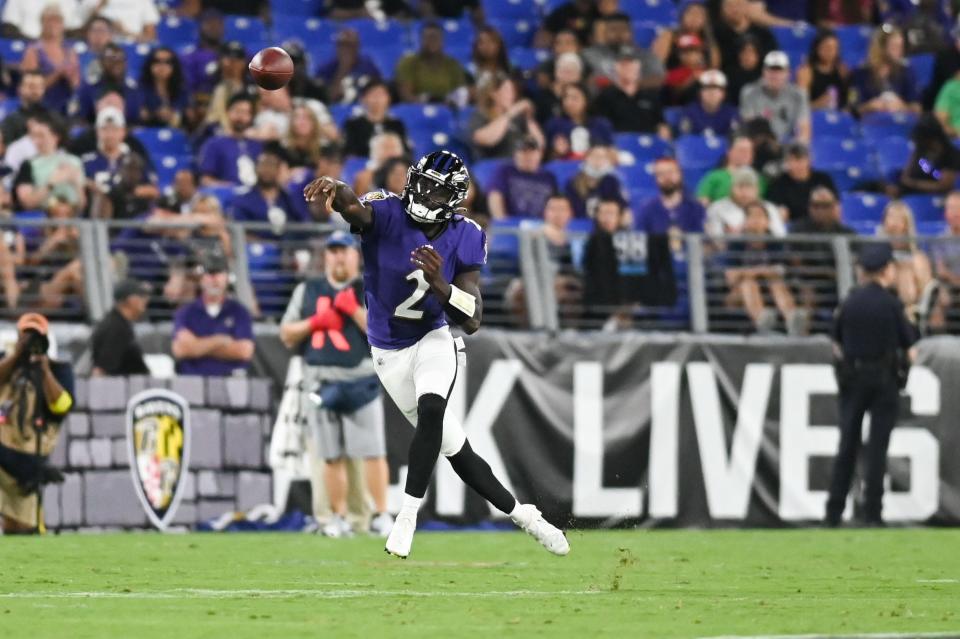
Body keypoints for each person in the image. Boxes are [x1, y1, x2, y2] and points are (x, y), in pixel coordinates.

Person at [303, 150, 569, 559]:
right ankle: (525, 516)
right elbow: (353, 208)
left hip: (433, 337)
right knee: (457, 451)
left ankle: (406, 517)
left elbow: (474, 318)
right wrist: (334, 188)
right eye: (422, 182)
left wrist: (441, 285)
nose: (424, 193)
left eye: (435, 189)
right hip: (388, 352)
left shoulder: (467, 233)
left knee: (431, 411)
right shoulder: (387, 211)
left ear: (455, 198)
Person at [280, 231, 393, 538]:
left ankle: (381, 515)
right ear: (326, 256)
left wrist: (354, 311)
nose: (338, 256)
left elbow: (387, 334)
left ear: (356, 256)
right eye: (333, 251)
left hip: (361, 379)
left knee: (372, 451)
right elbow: (287, 333)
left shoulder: (371, 287)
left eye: (344, 251)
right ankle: (339, 518)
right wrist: (316, 322)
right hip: (318, 381)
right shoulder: (308, 290)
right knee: (329, 454)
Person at [826, 242, 917, 527]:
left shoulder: (849, 301)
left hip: (853, 379)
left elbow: (835, 345)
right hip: (884, 380)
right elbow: (911, 348)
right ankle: (872, 514)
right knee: (877, 449)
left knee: (847, 446)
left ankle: (833, 513)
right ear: (887, 269)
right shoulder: (892, 304)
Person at [0, 313, 73, 534]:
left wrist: (44, 370)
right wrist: (16, 356)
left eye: (36, 337)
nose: (31, 342)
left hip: (28, 461)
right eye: (26, 336)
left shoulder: (58, 369)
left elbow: (62, 406)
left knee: (22, 528)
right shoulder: (7, 363)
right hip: (3, 452)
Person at [171, 249, 255, 376]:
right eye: (209, 273)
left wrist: (197, 345)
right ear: (201, 278)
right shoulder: (186, 312)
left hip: (231, 384)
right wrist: (220, 341)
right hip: (192, 383)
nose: (214, 278)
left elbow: (244, 351)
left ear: (227, 277)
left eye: (219, 272)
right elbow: (180, 349)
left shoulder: (240, 312)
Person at [724, 201, 803, 334]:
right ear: (745, 221)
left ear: (767, 222)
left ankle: (792, 321)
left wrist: (748, 272)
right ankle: (762, 323)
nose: (755, 220)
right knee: (748, 284)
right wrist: (761, 271)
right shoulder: (736, 244)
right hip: (737, 294)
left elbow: (780, 272)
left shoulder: (775, 243)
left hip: (769, 290)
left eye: (760, 216)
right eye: (751, 216)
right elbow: (730, 277)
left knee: (776, 282)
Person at [13, 112, 85, 212]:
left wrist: (76, 184)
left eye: (41, 136)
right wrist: (51, 184)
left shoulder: (74, 162)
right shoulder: (28, 164)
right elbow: (27, 203)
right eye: (34, 136)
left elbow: (81, 206)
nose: (37, 141)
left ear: (56, 136)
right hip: (41, 219)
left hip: (70, 219)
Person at [592, 47, 670, 137]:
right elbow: (601, 126)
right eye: (623, 64)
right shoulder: (605, 96)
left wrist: (663, 133)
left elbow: (661, 124)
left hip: (648, 143)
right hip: (619, 145)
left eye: (631, 63)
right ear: (616, 67)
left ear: (638, 66)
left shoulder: (651, 96)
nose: (628, 67)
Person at [19, 4, 80, 115]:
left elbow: (77, 85)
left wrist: (71, 77)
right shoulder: (34, 50)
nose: (53, 24)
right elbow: (29, 88)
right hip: (41, 108)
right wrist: (57, 73)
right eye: (49, 20)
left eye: (57, 20)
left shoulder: (70, 50)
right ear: (42, 23)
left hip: (66, 106)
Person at [739, 51, 811, 144]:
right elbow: (749, 127)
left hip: (788, 146)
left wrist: (797, 146)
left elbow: (804, 130)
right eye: (771, 70)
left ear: (788, 73)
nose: (775, 75)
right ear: (763, 72)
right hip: (759, 146)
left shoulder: (799, 95)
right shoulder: (750, 93)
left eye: (779, 70)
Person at [229, 144, 305, 232]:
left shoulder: (290, 200)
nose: (267, 170)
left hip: (289, 244)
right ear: (256, 168)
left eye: (271, 165)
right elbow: (240, 233)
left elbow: (303, 227)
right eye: (263, 165)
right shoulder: (242, 200)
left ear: (279, 169)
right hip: (256, 244)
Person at [849, 26, 921, 116]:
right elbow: (852, 109)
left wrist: (902, 106)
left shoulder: (906, 71)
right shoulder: (861, 73)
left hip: (900, 121)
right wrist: (869, 106)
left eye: (901, 47)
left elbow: (917, 108)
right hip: (871, 123)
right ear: (881, 48)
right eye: (895, 47)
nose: (900, 51)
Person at [469, 73, 544, 160]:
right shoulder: (481, 115)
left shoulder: (518, 118)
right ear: (494, 94)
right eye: (507, 91)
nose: (512, 95)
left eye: (513, 91)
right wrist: (511, 112)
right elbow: (484, 139)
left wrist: (528, 118)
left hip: (519, 167)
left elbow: (539, 144)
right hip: (495, 168)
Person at [197, 93, 262, 187]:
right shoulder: (214, 144)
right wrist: (230, 188)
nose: (241, 117)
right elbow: (206, 180)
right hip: (226, 197)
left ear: (251, 117)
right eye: (237, 111)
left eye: (245, 113)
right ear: (227, 112)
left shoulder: (258, 145)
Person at [487, 135, 558, 220]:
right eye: (523, 151)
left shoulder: (549, 177)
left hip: (541, 227)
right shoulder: (505, 171)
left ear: (540, 154)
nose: (528, 155)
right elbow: (495, 196)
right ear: (515, 154)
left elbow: (556, 204)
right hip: (512, 224)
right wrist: (502, 222)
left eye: (532, 151)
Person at [91, 278, 152, 376]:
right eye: (140, 296)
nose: (145, 300)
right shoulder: (116, 327)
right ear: (129, 300)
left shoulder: (119, 323)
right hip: (120, 389)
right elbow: (101, 370)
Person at [395, 22, 467, 104]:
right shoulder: (408, 62)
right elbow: (405, 95)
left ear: (442, 41)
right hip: (417, 109)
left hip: (447, 109)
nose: (432, 41)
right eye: (428, 38)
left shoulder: (453, 64)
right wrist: (427, 103)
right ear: (420, 40)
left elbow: (461, 92)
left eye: (436, 38)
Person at [766, 142, 837, 223]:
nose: (796, 164)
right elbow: (772, 209)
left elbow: (835, 205)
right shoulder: (778, 183)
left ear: (809, 160)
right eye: (792, 160)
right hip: (793, 229)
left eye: (800, 159)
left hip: (820, 224)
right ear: (786, 162)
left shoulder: (823, 180)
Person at [706, 166, 785, 236]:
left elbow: (779, 236)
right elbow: (715, 238)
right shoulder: (717, 208)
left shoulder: (768, 208)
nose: (744, 192)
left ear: (757, 189)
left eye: (749, 186)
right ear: (731, 188)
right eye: (740, 186)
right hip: (729, 251)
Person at [894, 114, 960, 196]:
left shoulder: (952, 154)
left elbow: (944, 186)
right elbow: (906, 176)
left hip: (939, 197)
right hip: (912, 194)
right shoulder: (920, 149)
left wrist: (915, 184)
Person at [544, 83, 614, 160]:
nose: (568, 102)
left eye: (575, 98)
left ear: (586, 100)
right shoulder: (554, 124)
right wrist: (557, 152)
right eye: (565, 98)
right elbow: (547, 159)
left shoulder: (601, 124)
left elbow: (612, 154)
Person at [343, 80, 408, 159]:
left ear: (389, 98)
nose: (377, 99)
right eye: (373, 95)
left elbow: (404, 151)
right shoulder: (353, 124)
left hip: (391, 166)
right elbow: (350, 153)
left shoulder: (396, 124)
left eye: (381, 95)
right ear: (363, 99)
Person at [316, 29, 381, 105]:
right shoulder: (326, 69)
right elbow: (328, 99)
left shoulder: (368, 67)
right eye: (341, 46)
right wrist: (343, 68)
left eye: (349, 46)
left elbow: (377, 95)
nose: (345, 50)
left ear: (357, 48)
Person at [696, 133, 764, 204]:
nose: (746, 154)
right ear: (729, 152)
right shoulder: (714, 177)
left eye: (750, 151)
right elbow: (702, 203)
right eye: (742, 150)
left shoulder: (759, 179)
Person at [564, 145, 625, 219]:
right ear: (586, 158)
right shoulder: (574, 181)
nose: (598, 160)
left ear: (607, 160)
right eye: (594, 156)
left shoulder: (612, 181)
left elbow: (620, 206)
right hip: (578, 223)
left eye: (602, 157)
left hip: (604, 223)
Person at [795, 29, 850, 111]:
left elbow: (848, 102)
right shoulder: (806, 72)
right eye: (827, 47)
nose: (830, 51)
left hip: (838, 116)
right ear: (817, 48)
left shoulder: (842, 70)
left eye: (834, 48)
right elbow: (800, 108)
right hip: (814, 117)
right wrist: (817, 104)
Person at [676, 69, 740, 137]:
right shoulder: (689, 112)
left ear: (723, 94)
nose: (711, 92)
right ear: (700, 93)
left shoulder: (731, 113)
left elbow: (737, 139)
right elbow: (684, 139)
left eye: (716, 88)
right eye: (707, 88)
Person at [136, 47, 188, 128]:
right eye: (157, 61)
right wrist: (155, 114)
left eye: (167, 62)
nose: (162, 66)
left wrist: (174, 113)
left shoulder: (181, 88)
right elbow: (140, 114)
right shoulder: (140, 87)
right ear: (149, 64)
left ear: (174, 65)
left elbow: (186, 112)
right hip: (149, 130)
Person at [1, 71, 49, 147]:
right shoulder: (9, 115)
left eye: (39, 87)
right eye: (31, 86)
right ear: (20, 89)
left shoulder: (51, 116)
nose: (35, 91)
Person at [79, 0, 160, 42]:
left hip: (131, 47)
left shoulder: (143, 1)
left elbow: (151, 38)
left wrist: (125, 32)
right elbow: (80, 32)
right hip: (99, 48)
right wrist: (100, 6)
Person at [0, 0, 82, 40]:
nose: (51, 25)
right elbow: (8, 28)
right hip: (26, 44)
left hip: (62, 48)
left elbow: (76, 30)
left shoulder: (70, 2)